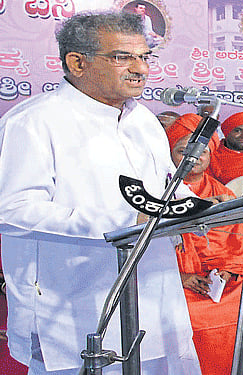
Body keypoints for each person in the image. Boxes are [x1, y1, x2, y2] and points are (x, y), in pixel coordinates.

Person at [0, 11, 201, 374]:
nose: (140, 68)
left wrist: (199, 206)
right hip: (72, 311)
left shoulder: (143, 121)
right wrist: (122, 222)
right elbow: (13, 210)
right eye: (124, 57)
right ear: (77, 62)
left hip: (153, 299)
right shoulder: (33, 122)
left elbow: (167, 184)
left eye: (145, 56)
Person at [166, 114, 243, 374]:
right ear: (169, 153)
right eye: (184, 150)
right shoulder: (159, 194)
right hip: (176, 283)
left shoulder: (224, 194)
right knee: (194, 316)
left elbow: (241, 242)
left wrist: (229, 271)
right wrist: (180, 277)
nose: (195, 157)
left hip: (224, 279)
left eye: (202, 151)